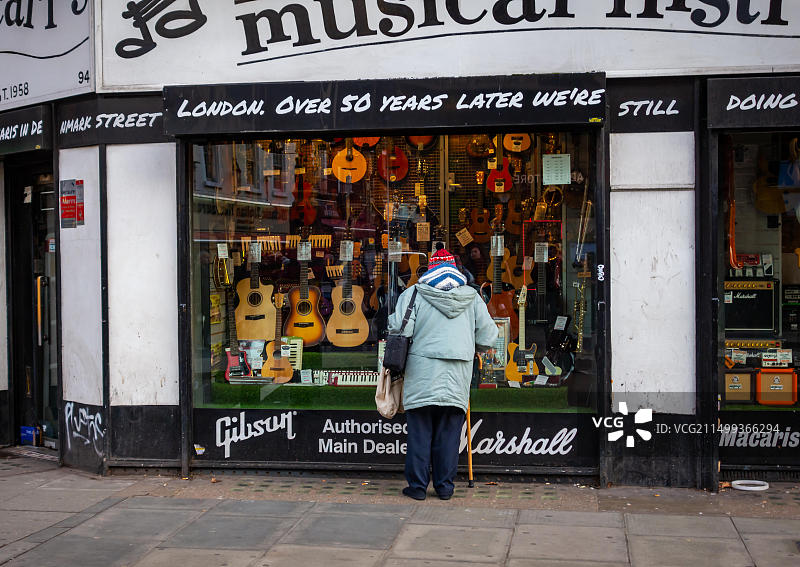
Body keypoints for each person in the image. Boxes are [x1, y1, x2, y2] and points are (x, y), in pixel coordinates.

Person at [388, 245, 498, 500]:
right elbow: (489, 336)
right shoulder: (471, 296)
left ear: (430, 269)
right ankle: (445, 487)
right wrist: (472, 346)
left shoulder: (413, 293)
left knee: (419, 432)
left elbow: (399, 329)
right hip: (457, 374)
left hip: (422, 372)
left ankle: (417, 488)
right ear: (456, 269)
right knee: (449, 433)